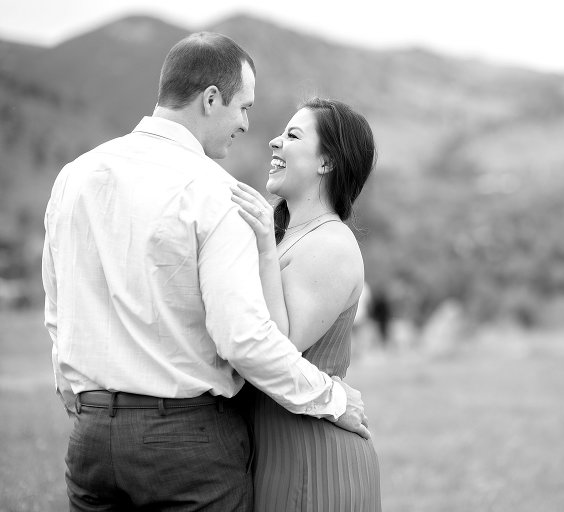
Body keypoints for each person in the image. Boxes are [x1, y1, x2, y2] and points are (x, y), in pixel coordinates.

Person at [41, 33, 369, 511]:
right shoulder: (216, 192)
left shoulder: (75, 175)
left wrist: (71, 384)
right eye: (243, 108)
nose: (247, 124)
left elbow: (58, 303)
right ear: (211, 99)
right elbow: (243, 337)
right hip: (185, 442)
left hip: (91, 438)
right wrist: (333, 399)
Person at [230, 98, 381, 511]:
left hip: (310, 459)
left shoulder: (330, 245)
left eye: (293, 135)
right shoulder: (288, 235)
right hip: (275, 448)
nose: (275, 142)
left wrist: (262, 245)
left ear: (326, 162)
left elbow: (278, 344)